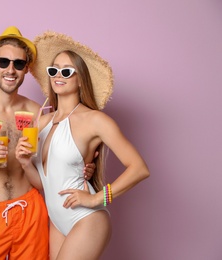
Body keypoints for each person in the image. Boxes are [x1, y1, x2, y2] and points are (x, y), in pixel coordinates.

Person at [0, 26, 96, 260]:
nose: (10, 69)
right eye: (3, 61)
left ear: (26, 69)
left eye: (18, 63)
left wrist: (84, 167)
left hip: (31, 210)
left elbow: (54, 161)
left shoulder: (37, 112)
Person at [15, 31, 150, 260]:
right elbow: (46, 183)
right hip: (58, 221)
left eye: (66, 71)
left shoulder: (95, 121)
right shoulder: (42, 122)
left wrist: (97, 198)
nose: (58, 75)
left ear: (80, 79)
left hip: (86, 219)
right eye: (53, 70)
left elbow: (139, 168)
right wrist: (26, 163)